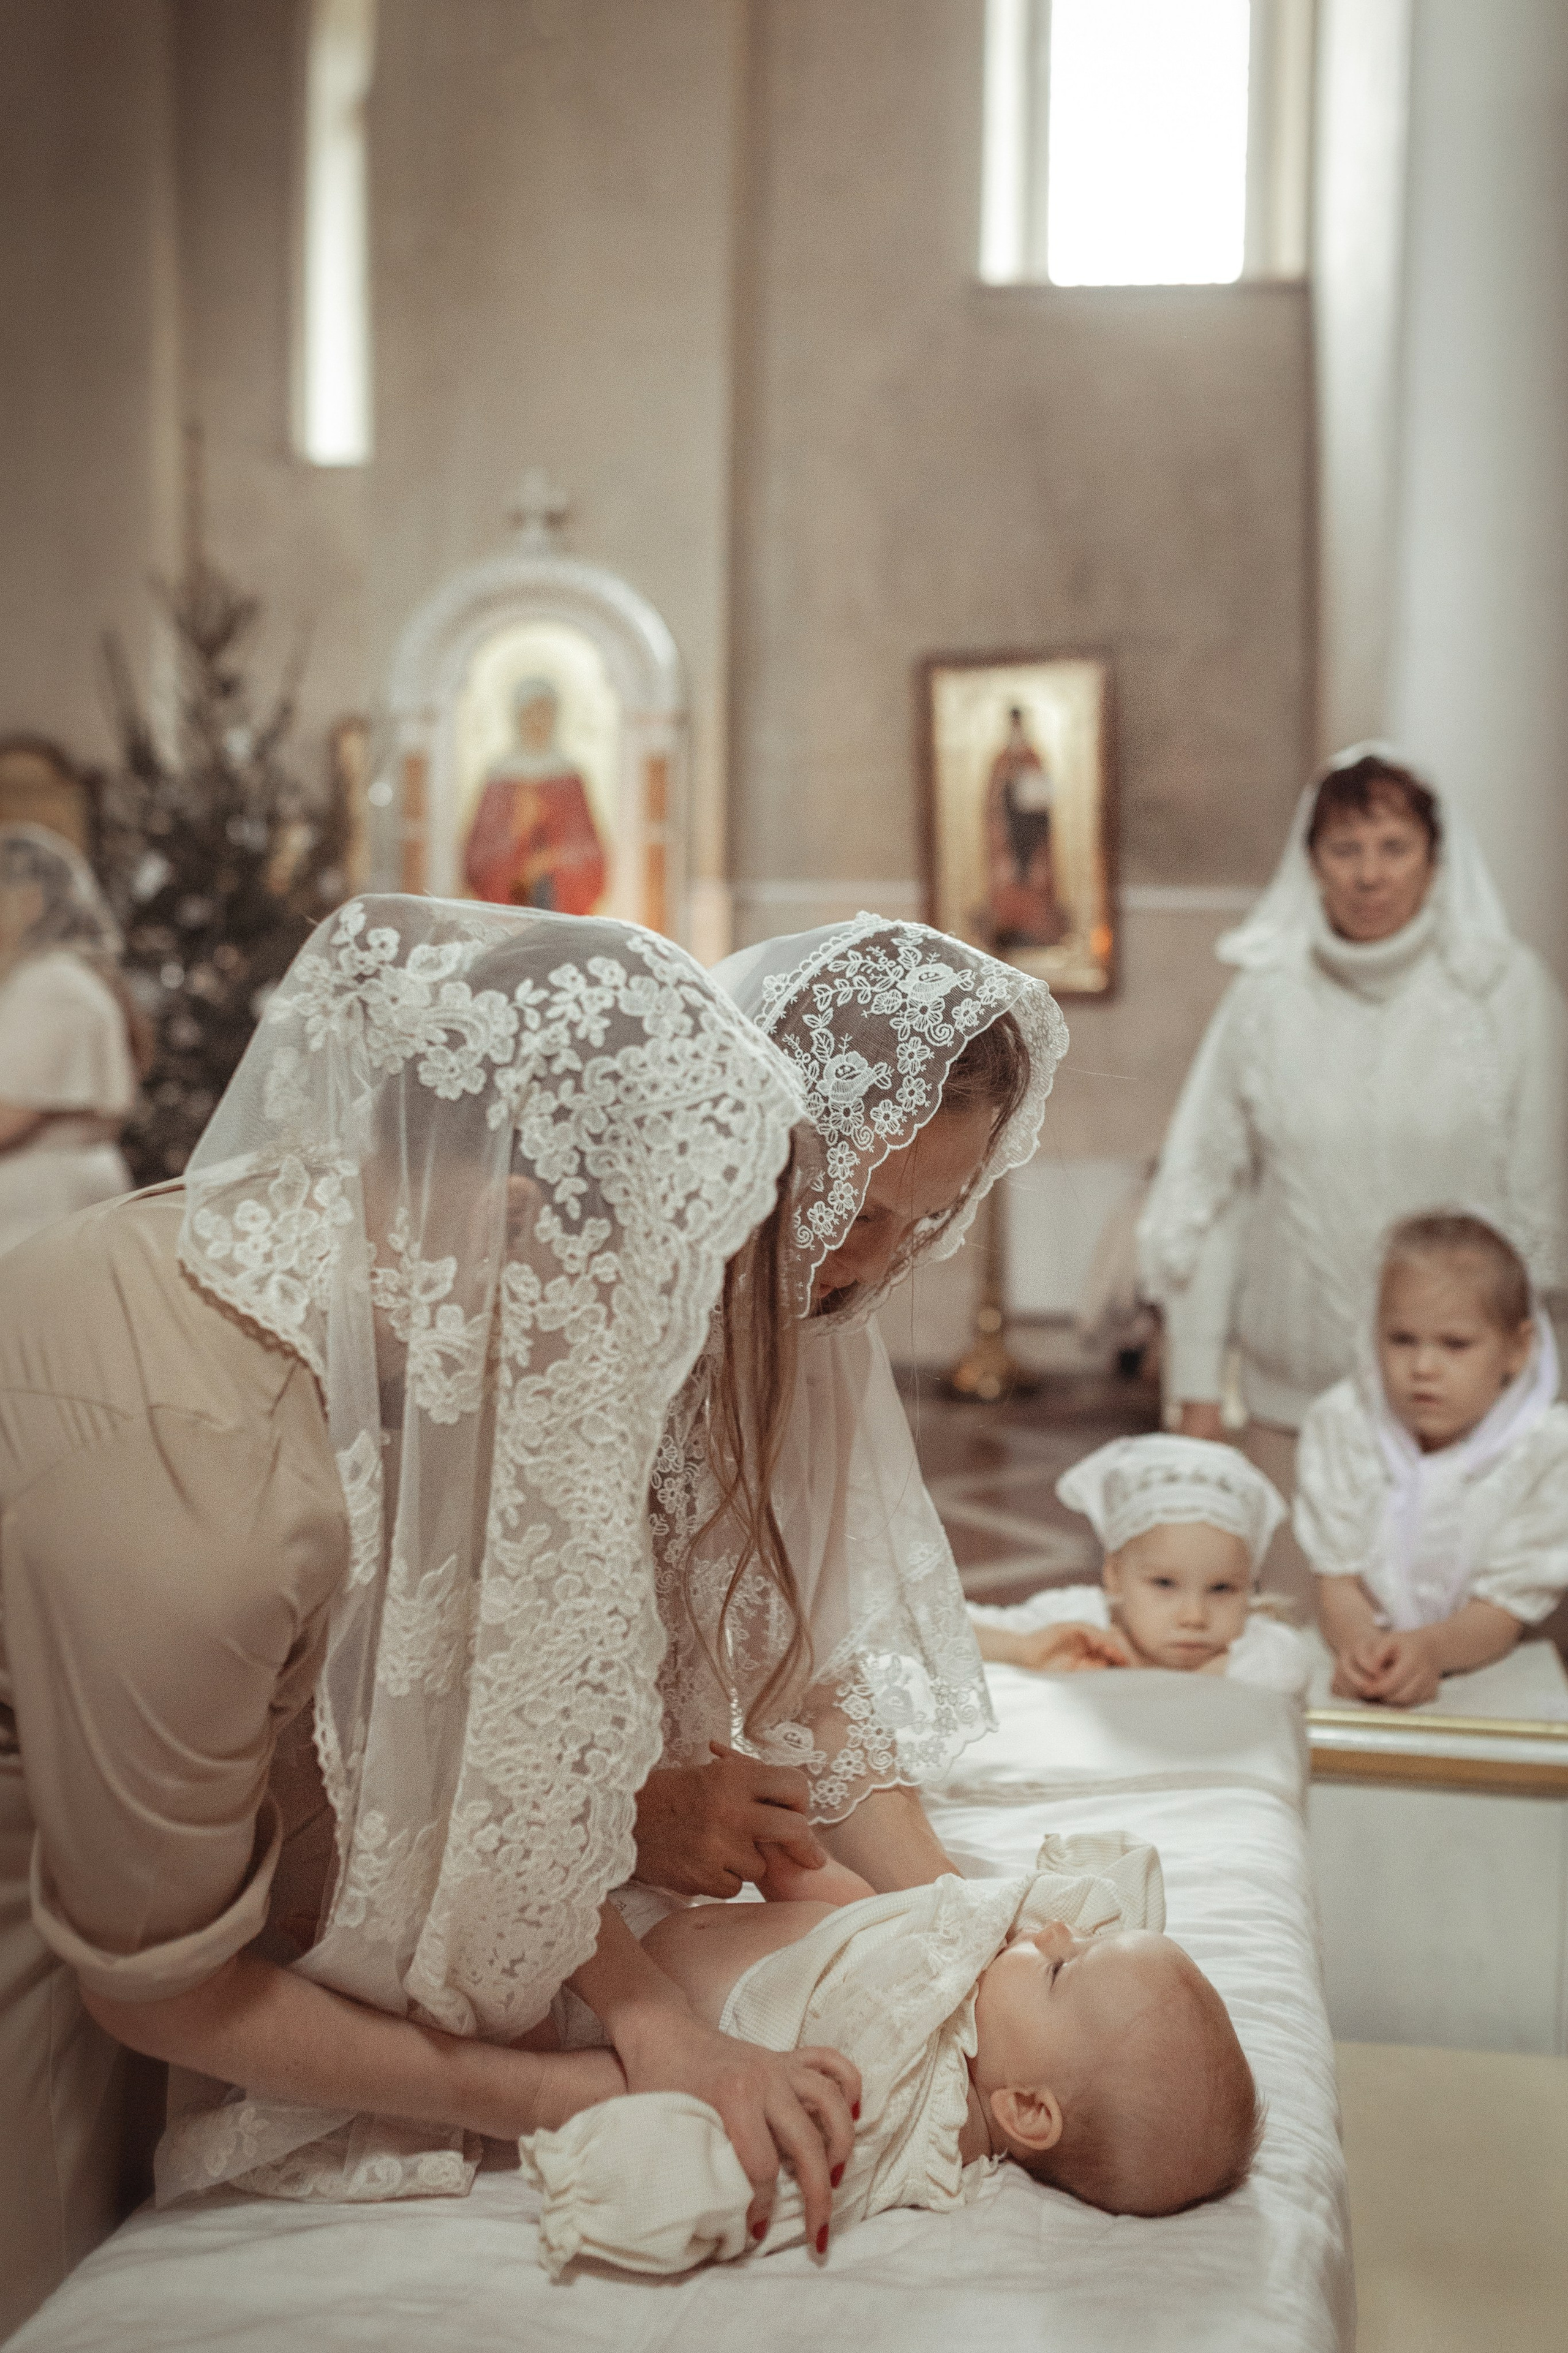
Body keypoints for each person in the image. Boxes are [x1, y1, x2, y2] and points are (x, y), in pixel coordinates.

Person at [0, 897, 861, 2339]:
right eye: (645, 1293)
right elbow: (161, 1987)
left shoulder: (379, 1275)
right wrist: (561, 2094)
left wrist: (650, 2011)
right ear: (522, 1216)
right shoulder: (208, 1496)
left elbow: (465, 1708)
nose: (640, 1351)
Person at [635, 916, 1077, 1905]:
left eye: (925, 1220)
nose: (874, 1264)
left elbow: (824, 1686)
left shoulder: (820, 1321)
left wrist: (960, 1915)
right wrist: (637, 1814)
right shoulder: (597, 1318)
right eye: (857, 1209)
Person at [1137, 745, 1568, 1608]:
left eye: (1394, 847)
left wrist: (1525, 1402)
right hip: (1287, 1406)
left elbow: (1542, 1205)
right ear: (1313, 863)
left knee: (1459, 1665)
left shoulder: (1506, 993)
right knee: (1294, 1648)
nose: (1370, 876)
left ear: (1435, 861)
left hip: (1465, 1422)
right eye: (1346, 849)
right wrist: (1195, 1392)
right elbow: (1211, 1198)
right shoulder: (1265, 998)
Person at [518, 1829, 1261, 2276]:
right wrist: (800, 1873)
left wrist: (605, 2183)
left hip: (575, 2000)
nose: (1059, 1933)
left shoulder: (910, 2116)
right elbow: (873, 1922)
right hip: (644, 1921)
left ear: (1027, 2109)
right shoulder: (976, 1977)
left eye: (1063, 1968)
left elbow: (758, 2161)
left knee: (579, 2064)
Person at [1297, 1212, 1568, 1709]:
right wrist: (1362, 1646)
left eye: (1455, 1344)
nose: (1423, 1367)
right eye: (1402, 1339)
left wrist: (1429, 1649)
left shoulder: (1547, 1453)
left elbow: (1502, 1611)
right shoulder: (1343, 1425)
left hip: (1497, 1681)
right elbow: (1337, 1577)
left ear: (1518, 1348)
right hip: (1353, 1672)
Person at [967, 1435, 1310, 1698]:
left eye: (1222, 1588)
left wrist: (1142, 1673)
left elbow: (1289, 1664)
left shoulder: (1259, 1647)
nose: (1194, 1617)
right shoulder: (1078, 1621)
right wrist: (1022, 1650)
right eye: (1164, 1584)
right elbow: (955, 1631)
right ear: (1114, 1576)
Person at [0, 822, 146, 1257]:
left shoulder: (50, 982)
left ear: (30, 901)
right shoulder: (64, 975)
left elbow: (14, 1109)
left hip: (40, 1204)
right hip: (54, 1190)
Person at [462, 677, 608, 913]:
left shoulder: (569, 776)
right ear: (517, 717)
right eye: (530, 712)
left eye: (544, 712)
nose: (537, 722)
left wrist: (553, 858)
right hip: (510, 906)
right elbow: (477, 860)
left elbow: (592, 856)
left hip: (559, 901)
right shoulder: (500, 777)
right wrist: (517, 833)